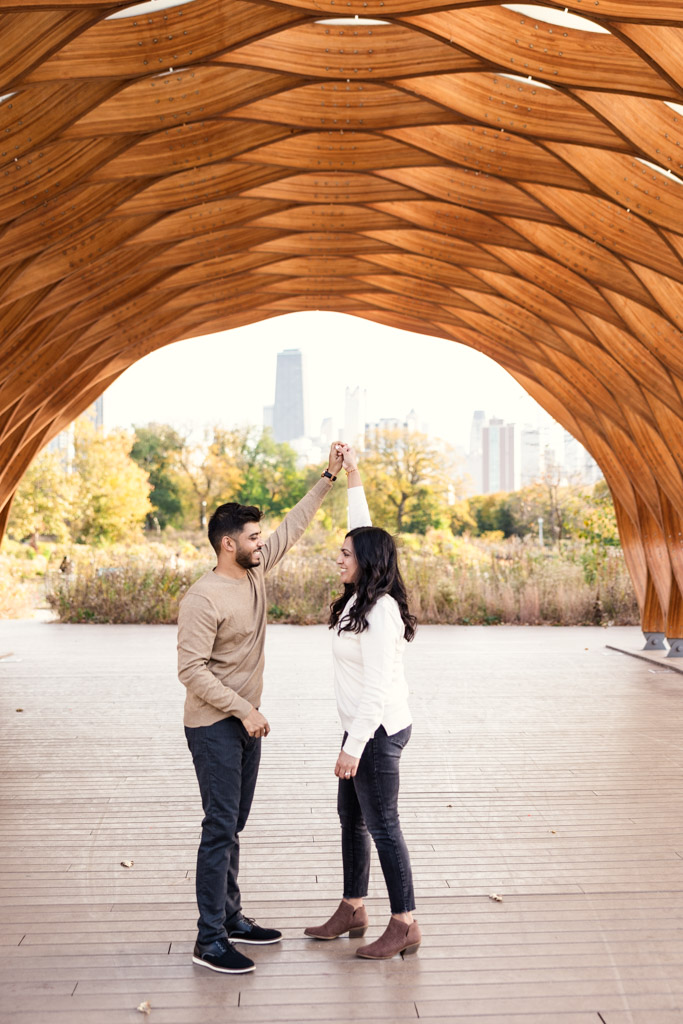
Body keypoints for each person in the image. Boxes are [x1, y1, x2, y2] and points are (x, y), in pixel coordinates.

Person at [178, 443, 343, 975]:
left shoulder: (254, 571)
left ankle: (230, 918)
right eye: (252, 537)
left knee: (233, 823)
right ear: (229, 545)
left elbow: (293, 527)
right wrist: (243, 710)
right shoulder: (203, 598)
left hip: (246, 722)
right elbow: (191, 671)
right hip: (213, 726)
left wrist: (328, 477)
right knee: (220, 825)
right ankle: (209, 940)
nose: (261, 542)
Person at [305, 445, 421, 960]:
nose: (339, 556)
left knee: (383, 825)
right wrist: (352, 474)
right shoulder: (361, 594)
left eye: (345, 554)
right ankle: (353, 907)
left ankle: (405, 923)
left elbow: (376, 689)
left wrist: (352, 748)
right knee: (351, 819)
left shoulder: (382, 612)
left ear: (365, 562)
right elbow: (365, 531)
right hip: (361, 728)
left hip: (376, 730)